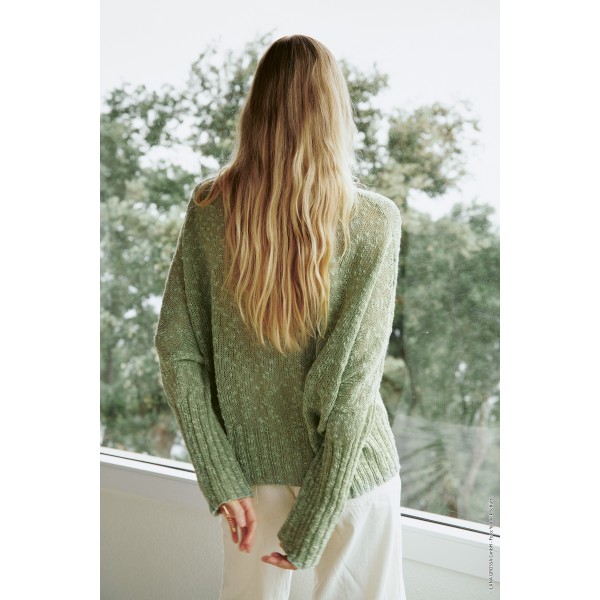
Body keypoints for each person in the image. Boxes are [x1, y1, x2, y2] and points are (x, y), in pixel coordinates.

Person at [154, 34, 407, 600]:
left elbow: (178, 350)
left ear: (256, 106)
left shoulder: (211, 207)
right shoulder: (375, 221)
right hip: (349, 478)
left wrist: (222, 474)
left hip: (255, 484)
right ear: (336, 111)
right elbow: (351, 389)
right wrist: (316, 512)